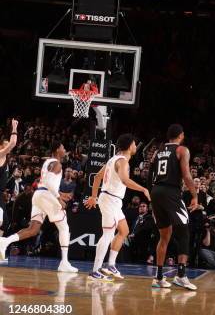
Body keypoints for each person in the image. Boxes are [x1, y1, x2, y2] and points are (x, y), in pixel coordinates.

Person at [0, 140, 78, 273]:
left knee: (33, 229)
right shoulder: (57, 164)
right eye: (63, 147)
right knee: (64, 226)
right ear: (57, 149)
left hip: (39, 195)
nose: (65, 150)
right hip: (47, 196)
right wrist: (58, 198)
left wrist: (60, 193)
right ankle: (64, 262)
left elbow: (46, 182)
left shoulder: (47, 162)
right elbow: (49, 182)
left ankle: (6, 241)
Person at [85, 134, 151, 281]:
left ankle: (110, 265)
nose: (135, 146)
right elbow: (125, 180)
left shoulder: (112, 159)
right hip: (110, 200)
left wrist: (94, 197)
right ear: (129, 146)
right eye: (134, 144)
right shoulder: (122, 161)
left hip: (111, 199)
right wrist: (143, 189)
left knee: (124, 230)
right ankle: (95, 271)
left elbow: (97, 177)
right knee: (107, 234)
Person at [150, 124, 198, 290]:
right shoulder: (182, 150)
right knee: (184, 231)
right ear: (181, 135)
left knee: (165, 235)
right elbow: (186, 174)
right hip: (171, 192)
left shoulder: (158, 151)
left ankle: (158, 277)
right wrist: (194, 195)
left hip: (156, 191)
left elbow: (151, 173)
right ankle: (181, 275)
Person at [0, 119, 18, 192]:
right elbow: (13, 143)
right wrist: (14, 127)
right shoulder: (0, 153)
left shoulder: (6, 158)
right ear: (1, 146)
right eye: (6, 145)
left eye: (8, 144)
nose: (8, 146)